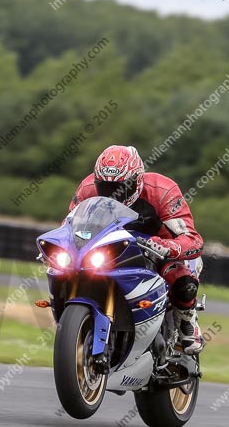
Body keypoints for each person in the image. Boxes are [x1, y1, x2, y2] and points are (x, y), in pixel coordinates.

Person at [69, 144, 204, 354]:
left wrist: (168, 246)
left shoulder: (163, 190)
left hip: (157, 247)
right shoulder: (87, 188)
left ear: (138, 180)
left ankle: (186, 320)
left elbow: (193, 240)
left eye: (122, 186)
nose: (114, 193)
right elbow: (70, 225)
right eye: (106, 187)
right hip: (108, 246)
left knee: (182, 282)